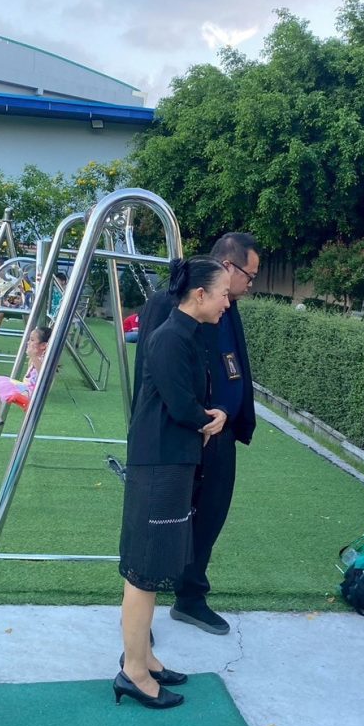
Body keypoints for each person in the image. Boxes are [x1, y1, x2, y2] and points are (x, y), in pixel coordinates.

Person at [116, 255, 230, 709]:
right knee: (143, 570)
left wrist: (209, 415)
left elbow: (185, 400)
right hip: (159, 463)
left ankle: (145, 659)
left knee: (154, 565)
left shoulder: (187, 335)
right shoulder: (169, 337)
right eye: (222, 294)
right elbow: (182, 406)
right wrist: (211, 418)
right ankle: (134, 670)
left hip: (171, 461)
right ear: (200, 294)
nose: (227, 303)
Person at [132, 232, 259, 636]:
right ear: (228, 266)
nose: (249, 286)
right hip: (179, 438)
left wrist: (230, 415)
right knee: (160, 527)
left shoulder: (227, 307)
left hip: (220, 434)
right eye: (249, 276)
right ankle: (139, 618)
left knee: (209, 517)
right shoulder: (167, 306)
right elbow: (152, 380)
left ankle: (190, 597)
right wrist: (196, 420)